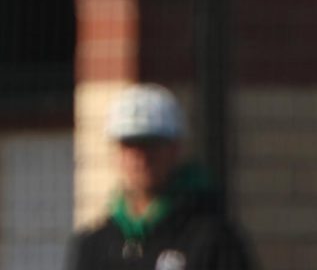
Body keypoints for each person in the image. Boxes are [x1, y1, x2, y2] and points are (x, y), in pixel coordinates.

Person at [65, 83, 256, 270]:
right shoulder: (95, 245)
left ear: (175, 149)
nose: (140, 157)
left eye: (151, 144)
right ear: (117, 152)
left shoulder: (213, 241)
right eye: (130, 145)